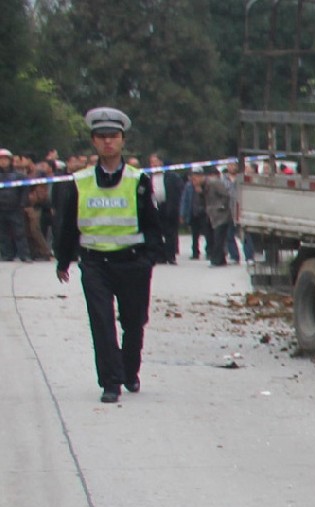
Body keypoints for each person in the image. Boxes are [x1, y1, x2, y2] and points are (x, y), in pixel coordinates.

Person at [54, 107, 164, 404]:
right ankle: (111, 382)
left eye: (113, 136)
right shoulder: (80, 181)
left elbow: (154, 225)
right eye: (101, 137)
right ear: (93, 141)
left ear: (122, 141)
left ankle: (129, 371)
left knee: (133, 323)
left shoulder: (138, 179)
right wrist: (63, 260)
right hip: (95, 264)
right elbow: (68, 225)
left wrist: (149, 259)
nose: (107, 142)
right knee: (101, 323)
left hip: (132, 264)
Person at [148, 153, 184, 264]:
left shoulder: (171, 176)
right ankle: (160, 256)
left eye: (155, 162)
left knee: (170, 233)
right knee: (157, 233)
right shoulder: (148, 177)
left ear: (161, 162)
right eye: (151, 162)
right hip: (154, 207)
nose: (153, 164)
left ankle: (170, 256)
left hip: (168, 207)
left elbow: (178, 192)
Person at [0, 148, 32, 262]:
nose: (3, 162)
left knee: (20, 232)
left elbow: (24, 190)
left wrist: (22, 204)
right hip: (1, 209)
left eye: (5, 159)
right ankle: (7, 254)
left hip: (15, 208)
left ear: (10, 160)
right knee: (3, 233)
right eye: (0, 159)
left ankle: (24, 254)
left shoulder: (18, 176)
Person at [179, 166, 211, 259]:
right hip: (194, 212)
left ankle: (209, 251)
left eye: (197, 175)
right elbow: (184, 200)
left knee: (207, 233)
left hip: (204, 213)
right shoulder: (188, 186)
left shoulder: (207, 185)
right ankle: (195, 252)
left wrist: (201, 192)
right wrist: (182, 214)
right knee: (194, 234)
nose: (195, 177)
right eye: (193, 175)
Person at [204, 166, 231, 267]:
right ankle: (221, 259)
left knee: (218, 238)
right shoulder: (204, 185)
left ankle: (216, 260)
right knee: (215, 237)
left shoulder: (215, 183)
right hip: (212, 215)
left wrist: (221, 206)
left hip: (221, 214)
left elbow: (226, 195)